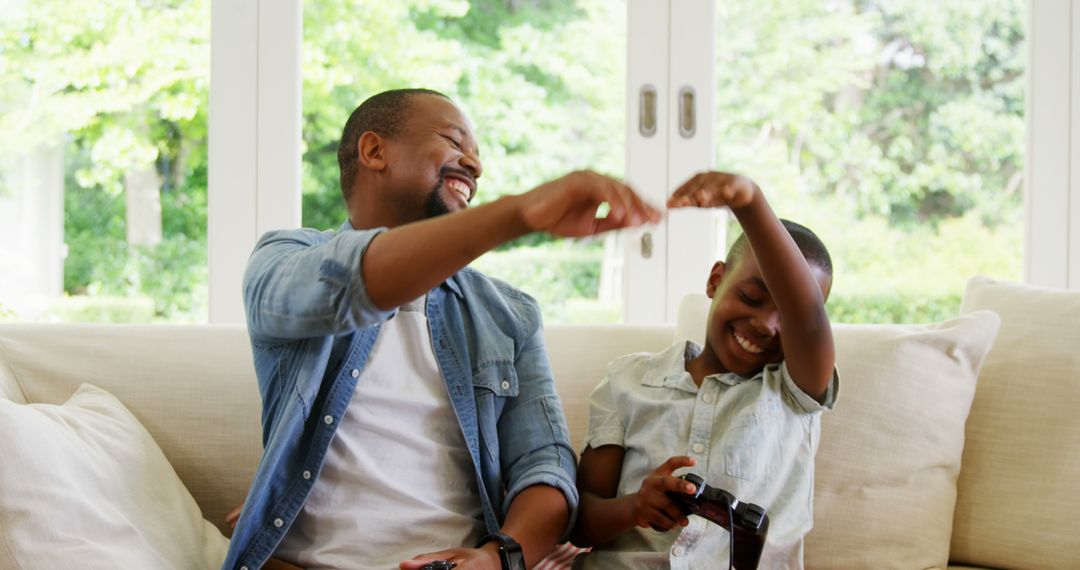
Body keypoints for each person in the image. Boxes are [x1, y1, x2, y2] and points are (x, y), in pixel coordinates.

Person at [222, 88, 661, 570]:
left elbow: (546, 467)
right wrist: (519, 213)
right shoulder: (283, 258)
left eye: (477, 155)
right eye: (455, 142)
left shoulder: (509, 314)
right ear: (374, 151)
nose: (474, 165)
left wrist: (498, 558)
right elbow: (351, 284)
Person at [569, 172, 837, 569]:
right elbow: (579, 523)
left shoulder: (794, 391)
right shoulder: (628, 380)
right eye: (751, 297)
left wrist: (748, 202)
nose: (766, 324)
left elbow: (810, 321)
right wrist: (635, 507)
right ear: (715, 281)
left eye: (788, 315)